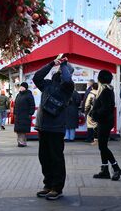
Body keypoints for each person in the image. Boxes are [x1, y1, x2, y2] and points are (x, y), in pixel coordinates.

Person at [33, 55, 74, 201]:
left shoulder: (67, 88)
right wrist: (51, 64)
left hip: (56, 128)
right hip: (43, 126)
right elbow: (36, 77)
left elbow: (68, 79)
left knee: (56, 158)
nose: (60, 73)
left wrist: (63, 64)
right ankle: (48, 184)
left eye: (62, 71)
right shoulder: (47, 84)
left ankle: (57, 187)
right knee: (44, 157)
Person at [91, 69, 121, 181]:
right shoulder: (108, 90)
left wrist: (95, 114)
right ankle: (105, 170)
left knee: (103, 147)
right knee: (102, 146)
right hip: (105, 121)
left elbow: (105, 108)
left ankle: (116, 168)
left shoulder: (105, 91)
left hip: (104, 121)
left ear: (100, 79)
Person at [14, 82, 35, 147]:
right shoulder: (18, 95)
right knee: (18, 130)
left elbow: (32, 105)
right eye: (20, 86)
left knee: (22, 130)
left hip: (25, 115)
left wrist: (30, 113)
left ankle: (22, 142)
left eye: (22, 86)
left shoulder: (29, 95)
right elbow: (15, 105)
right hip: (18, 115)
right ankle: (21, 141)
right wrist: (14, 112)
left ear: (25, 88)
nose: (20, 87)